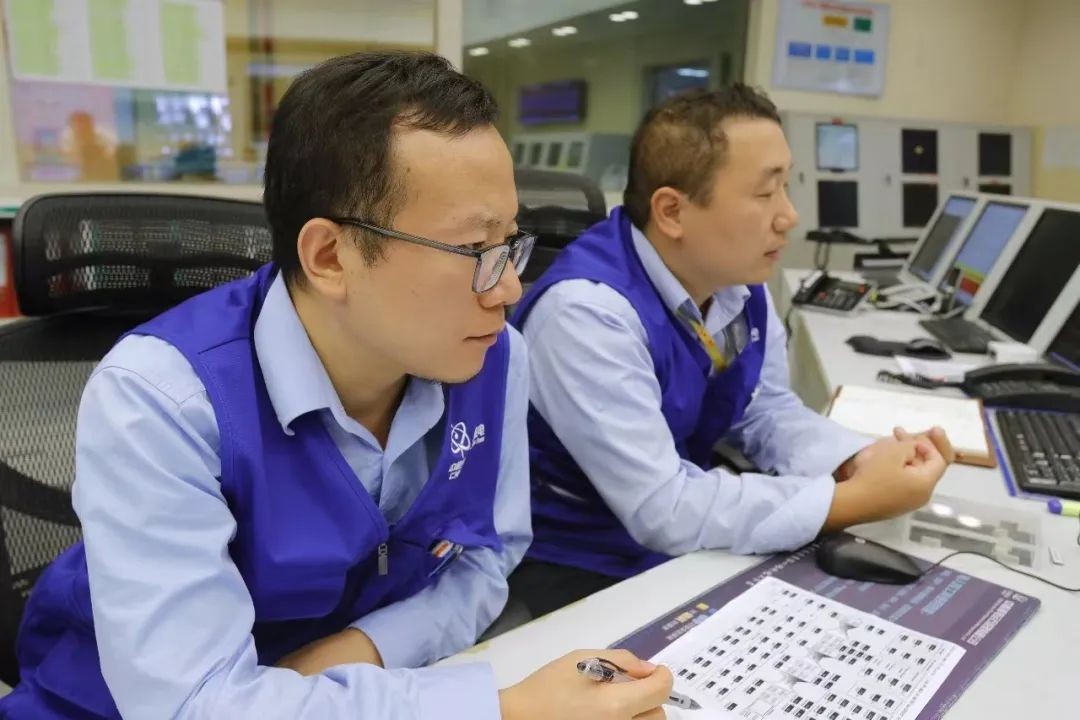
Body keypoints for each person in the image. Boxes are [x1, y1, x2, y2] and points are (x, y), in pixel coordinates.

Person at [1, 52, 672, 720]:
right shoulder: (162, 400)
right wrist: (504, 710)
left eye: (511, 243)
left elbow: (487, 555)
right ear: (329, 256)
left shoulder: (493, 357)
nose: (509, 290)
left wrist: (362, 651)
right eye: (475, 251)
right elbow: (196, 704)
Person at [509, 85, 955, 617]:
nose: (788, 216)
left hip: (680, 532)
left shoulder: (735, 284)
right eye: (765, 194)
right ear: (672, 211)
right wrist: (853, 501)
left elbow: (764, 409)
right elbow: (662, 509)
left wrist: (857, 460)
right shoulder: (586, 315)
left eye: (786, 186)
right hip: (580, 559)